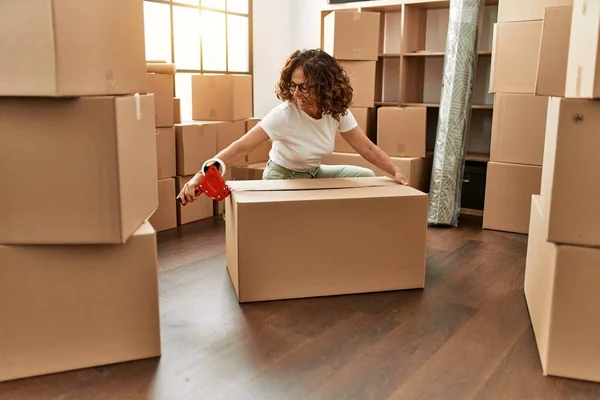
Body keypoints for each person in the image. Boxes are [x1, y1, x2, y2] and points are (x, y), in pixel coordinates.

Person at [178, 48, 408, 204]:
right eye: (293, 85)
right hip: (281, 176)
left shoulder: (336, 112)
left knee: (365, 176)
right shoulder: (284, 115)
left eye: (304, 87)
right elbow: (240, 148)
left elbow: (366, 148)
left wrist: (395, 170)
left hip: (313, 173)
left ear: (324, 86)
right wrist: (200, 175)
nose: (296, 94)